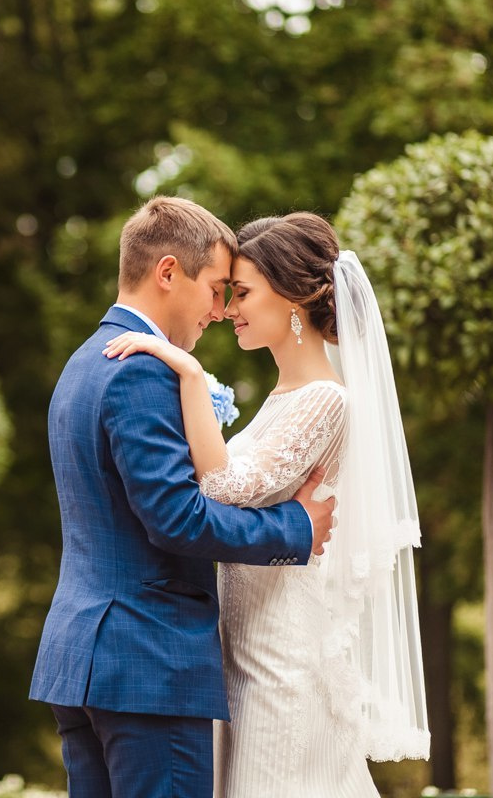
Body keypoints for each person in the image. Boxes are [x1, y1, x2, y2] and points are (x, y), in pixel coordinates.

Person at [102, 211, 430, 797]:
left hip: (281, 657)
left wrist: (190, 373)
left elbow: (224, 487)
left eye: (244, 293)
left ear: (296, 299)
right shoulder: (283, 398)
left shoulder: (326, 400)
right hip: (245, 652)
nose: (228, 310)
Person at [29, 197, 337, 798]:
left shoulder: (83, 362)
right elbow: (175, 519)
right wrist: (295, 529)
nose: (221, 311)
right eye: (218, 288)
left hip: (83, 661)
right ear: (168, 273)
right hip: (147, 665)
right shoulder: (140, 370)